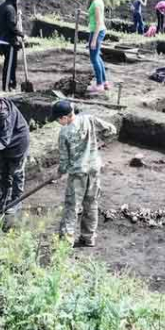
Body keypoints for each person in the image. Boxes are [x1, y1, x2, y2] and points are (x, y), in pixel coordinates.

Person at [51, 100, 117, 247]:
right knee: (91, 204)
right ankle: (88, 238)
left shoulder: (64, 133)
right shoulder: (89, 119)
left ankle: (66, 241)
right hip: (94, 169)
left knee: (71, 207)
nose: (58, 123)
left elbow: (64, 160)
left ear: (64, 117)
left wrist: (59, 173)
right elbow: (111, 129)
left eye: (58, 120)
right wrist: (100, 142)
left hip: (77, 175)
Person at [80, 0, 110, 93]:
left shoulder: (96, 4)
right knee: (97, 57)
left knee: (94, 58)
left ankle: (99, 85)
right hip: (99, 30)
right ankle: (105, 82)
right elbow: (95, 17)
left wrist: (93, 40)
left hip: (97, 31)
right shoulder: (98, 0)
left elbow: (98, 22)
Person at [0, 0, 25, 91]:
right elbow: (11, 26)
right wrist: (22, 35)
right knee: (10, 65)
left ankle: (10, 85)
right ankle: (7, 87)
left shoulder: (3, 6)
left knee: (9, 63)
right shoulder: (10, 9)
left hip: (3, 39)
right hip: (8, 41)